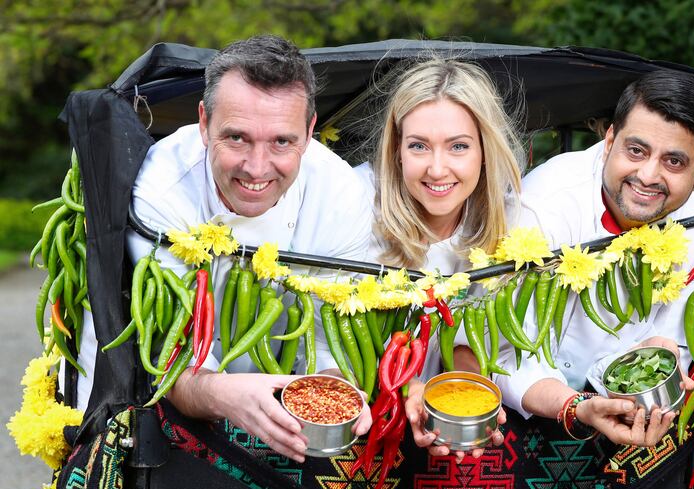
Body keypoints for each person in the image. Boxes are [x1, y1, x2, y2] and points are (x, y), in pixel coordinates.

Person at [74, 35, 374, 462]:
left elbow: (327, 340)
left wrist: (333, 390)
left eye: (282, 142)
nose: (256, 167)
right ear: (203, 122)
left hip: (282, 398)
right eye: (236, 138)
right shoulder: (163, 192)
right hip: (170, 391)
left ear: (309, 133)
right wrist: (224, 394)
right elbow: (169, 354)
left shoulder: (341, 196)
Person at [491, 70, 694, 446]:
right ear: (608, 142)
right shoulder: (542, 205)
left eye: (674, 162)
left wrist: (661, 355)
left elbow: (672, 339)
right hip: (524, 403)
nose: (648, 176)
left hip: (620, 405)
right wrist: (575, 406)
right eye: (636, 151)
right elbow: (501, 351)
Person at [354, 57, 525, 458]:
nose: (436, 168)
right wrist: (404, 385)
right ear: (396, 151)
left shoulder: (514, 222)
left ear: (486, 150)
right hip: (370, 415)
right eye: (418, 146)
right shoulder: (358, 211)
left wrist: (459, 390)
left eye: (458, 147)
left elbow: (477, 335)